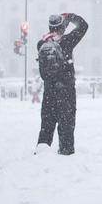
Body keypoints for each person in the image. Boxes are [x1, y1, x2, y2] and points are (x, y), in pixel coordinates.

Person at [35, 12, 89, 155]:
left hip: (49, 93)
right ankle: (65, 155)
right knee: (66, 126)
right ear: (62, 27)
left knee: (46, 126)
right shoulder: (66, 41)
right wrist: (70, 17)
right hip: (66, 92)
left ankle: (40, 154)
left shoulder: (41, 43)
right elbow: (84, 26)